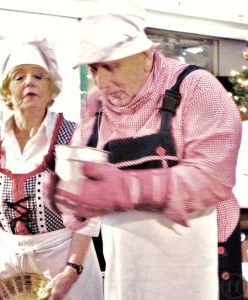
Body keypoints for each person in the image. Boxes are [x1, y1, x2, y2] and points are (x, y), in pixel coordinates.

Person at [46, 12, 243, 300]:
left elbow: (212, 176)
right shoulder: (97, 106)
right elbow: (81, 204)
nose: (101, 82)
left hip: (201, 268)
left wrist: (128, 188)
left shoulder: (196, 87)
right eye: (94, 69)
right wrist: (70, 197)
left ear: (147, 56)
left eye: (111, 67)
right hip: (129, 271)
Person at [0, 39, 103, 300]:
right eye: (19, 77)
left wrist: (73, 269)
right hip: (9, 265)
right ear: (6, 91)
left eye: (38, 76)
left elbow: (88, 213)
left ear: (51, 90)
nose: (29, 82)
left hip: (63, 260)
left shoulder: (74, 135)